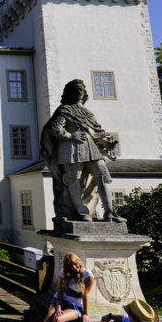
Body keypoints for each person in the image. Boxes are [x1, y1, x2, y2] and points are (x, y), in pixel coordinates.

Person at [40, 79, 123, 224]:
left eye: (81, 90)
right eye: (76, 90)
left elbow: (96, 133)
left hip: (91, 147)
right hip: (71, 147)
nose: (79, 92)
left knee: (103, 176)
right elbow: (54, 128)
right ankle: (79, 210)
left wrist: (106, 142)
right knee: (73, 178)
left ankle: (110, 212)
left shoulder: (88, 113)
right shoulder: (64, 110)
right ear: (70, 93)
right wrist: (70, 135)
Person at [29, 253, 94, 322]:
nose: (74, 267)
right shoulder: (63, 272)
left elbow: (85, 295)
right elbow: (59, 292)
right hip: (59, 301)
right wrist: (58, 306)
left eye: (75, 264)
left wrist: (86, 313)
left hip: (75, 306)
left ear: (78, 262)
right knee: (49, 317)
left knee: (58, 319)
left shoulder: (87, 275)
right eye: (70, 266)